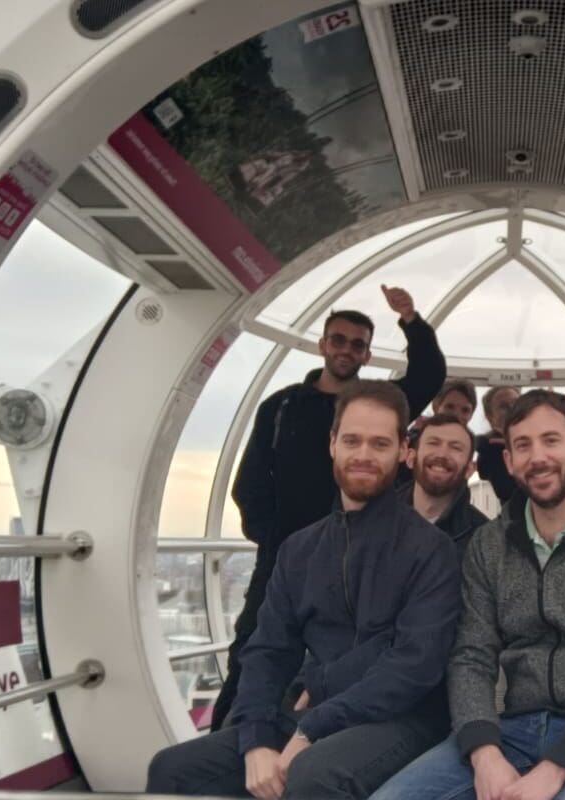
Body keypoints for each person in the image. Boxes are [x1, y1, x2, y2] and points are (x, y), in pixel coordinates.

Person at [147, 381, 461, 799]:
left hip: (403, 718)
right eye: (352, 440)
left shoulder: (431, 550)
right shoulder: (301, 548)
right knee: (173, 769)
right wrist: (256, 737)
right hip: (313, 715)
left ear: (403, 451)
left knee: (315, 777)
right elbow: (269, 650)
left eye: (379, 443)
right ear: (332, 444)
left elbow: (413, 666)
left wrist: (312, 729)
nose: (364, 455)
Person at [373, 390, 565, 800]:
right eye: (523, 445)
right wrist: (484, 752)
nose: (538, 457)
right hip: (514, 727)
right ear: (509, 461)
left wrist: (558, 765)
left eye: (551, 440)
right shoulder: (490, 543)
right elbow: (471, 654)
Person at [214, 286, 446, 729]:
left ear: (367, 354)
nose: (346, 350)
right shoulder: (281, 407)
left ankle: (315, 747)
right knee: (254, 651)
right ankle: (234, 741)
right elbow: (250, 482)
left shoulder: (381, 404)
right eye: (338, 340)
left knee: (346, 654)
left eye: (357, 344)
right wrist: (277, 540)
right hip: (288, 556)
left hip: (363, 555)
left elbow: (430, 373)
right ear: (323, 345)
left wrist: (411, 321)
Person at [401, 413, 489, 553]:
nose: (442, 454)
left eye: (455, 447)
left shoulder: (484, 541)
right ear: (410, 458)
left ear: (469, 469)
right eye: (433, 443)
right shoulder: (376, 520)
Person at [473, 384, 522, 503]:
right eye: (503, 406)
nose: (511, 409)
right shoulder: (490, 450)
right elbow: (506, 490)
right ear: (490, 418)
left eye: (516, 403)